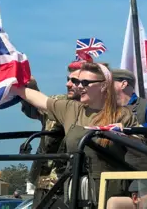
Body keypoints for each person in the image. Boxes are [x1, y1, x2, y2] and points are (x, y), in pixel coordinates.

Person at [13, 62, 140, 201]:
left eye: (85, 82)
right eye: (78, 82)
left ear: (104, 85)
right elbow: (41, 100)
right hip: (76, 193)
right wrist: (14, 85)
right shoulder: (71, 109)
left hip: (110, 192)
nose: (79, 86)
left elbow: (140, 156)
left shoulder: (123, 115)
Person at [22, 59, 98, 203]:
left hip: (77, 182)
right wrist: (30, 85)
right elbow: (34, 110)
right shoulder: (58, 101)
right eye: (68, 79)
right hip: (45, 181)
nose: (68, 84)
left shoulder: (96, 109)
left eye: (75, 80)